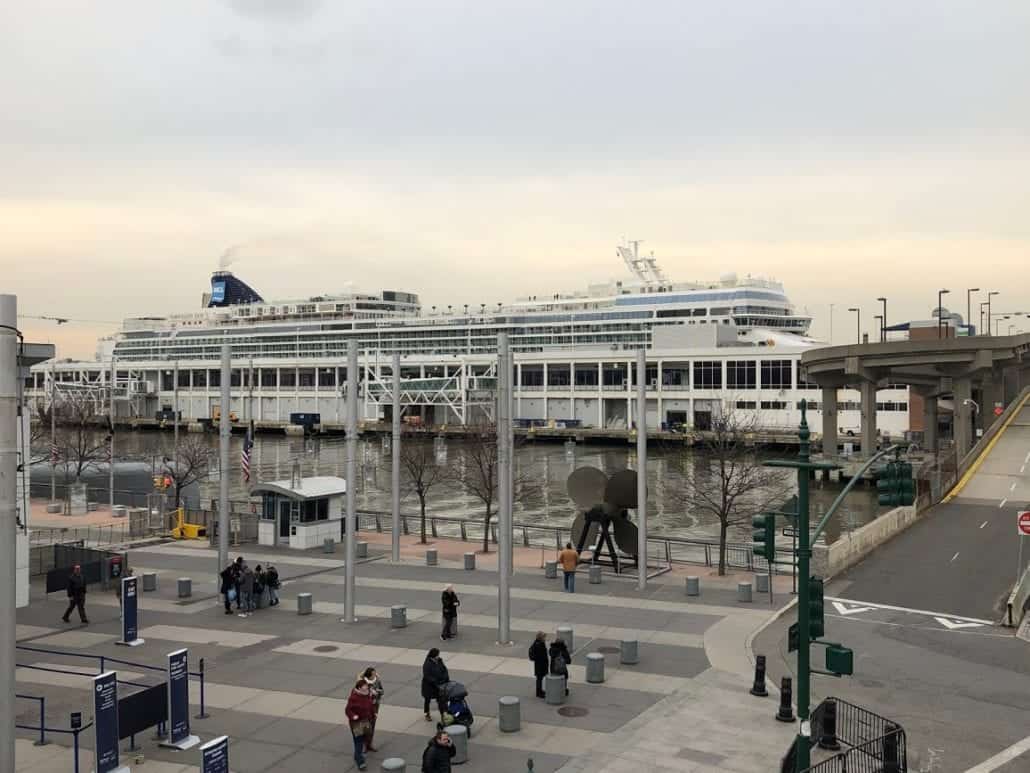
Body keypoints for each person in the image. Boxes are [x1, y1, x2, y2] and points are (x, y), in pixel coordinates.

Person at [345, 678, 376, 771]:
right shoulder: (354, 697)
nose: (366, 687)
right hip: (357, 723)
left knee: (362, 740)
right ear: (359, 687)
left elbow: (370, 706)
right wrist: (353, 716)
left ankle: (357, 756)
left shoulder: (367, 695)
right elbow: (347, 710)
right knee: (358, 742)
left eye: (366, 685)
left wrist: (373, 713)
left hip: (366, 722)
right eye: (364, 685)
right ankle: (360, 762)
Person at [421, 648, 449, 722]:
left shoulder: (439, 660)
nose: (438, 656)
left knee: (441, 700)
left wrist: (445, 678)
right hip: (429, 686)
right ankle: (427, 713)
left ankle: (443, 714)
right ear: (433, 656)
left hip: (439, 685)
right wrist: (436, 682)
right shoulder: (427, 664)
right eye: (437, 655)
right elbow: (427, 676)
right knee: (427, 700)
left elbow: (444, 669)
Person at [361, 666, 384, 752]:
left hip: (374, 707)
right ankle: (364, 744)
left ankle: (370, 744)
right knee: (365, 725)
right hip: (365, 707)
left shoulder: (377, 681)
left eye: (375, 673)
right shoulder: (363, 683)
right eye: (373, 674)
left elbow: (382, 691)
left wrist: (377, 691)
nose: (375, 675)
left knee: (372, 725)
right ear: (369, 675)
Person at [529, 631, 549, 698]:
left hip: (539, 665)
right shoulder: (539, 644)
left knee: (539, 679)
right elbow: (541, 655)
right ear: (541, 637)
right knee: (539, 679)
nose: (545, 638)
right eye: (544, 637)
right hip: (540, 665)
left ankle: (540, 691)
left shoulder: (538, 643)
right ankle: (539, 692)